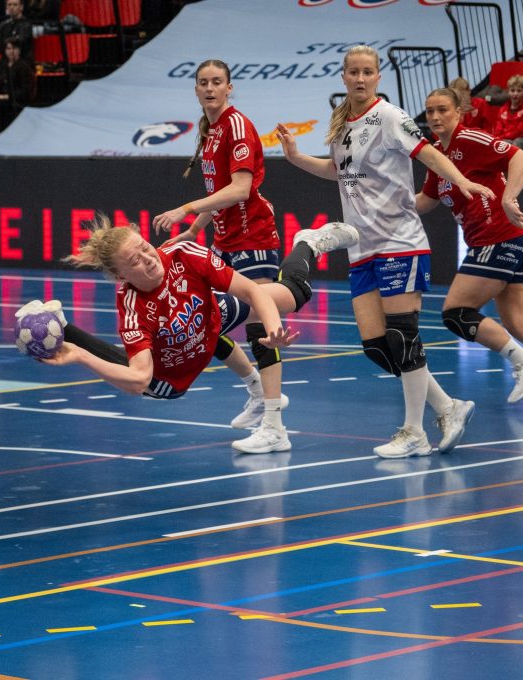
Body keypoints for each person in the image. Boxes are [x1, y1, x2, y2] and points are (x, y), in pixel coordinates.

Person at [276, 44, 494, 459]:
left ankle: (415, 432)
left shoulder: (390, 117)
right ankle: (447, 406)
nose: (360, 78)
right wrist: (296, 157)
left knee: (402, 334)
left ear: (377, 77)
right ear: (344, 77)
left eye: (367, 72)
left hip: (400, 242)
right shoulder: (342, 125)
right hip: (362, 249)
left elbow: (428, 154)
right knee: (378, 347)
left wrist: (462, 181)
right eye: (353, 72)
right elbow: (337, 171)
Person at [41, 215, 358, 454]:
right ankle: (67, 331)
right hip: (168, 377)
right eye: (135, 261)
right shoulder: (134, 306)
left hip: (211, 316)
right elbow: (138, 379)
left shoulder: (182, 254)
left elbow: (251, 290)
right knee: (141, 362)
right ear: (120, 276)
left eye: (145, 248)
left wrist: (273, 327)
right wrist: (80, 356)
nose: (148, 259)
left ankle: (308, 243)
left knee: (296, 293)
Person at [153, 59, 289, 438]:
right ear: (196, 89)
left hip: (253, 237)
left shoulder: (237, 125)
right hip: (224, 242)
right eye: (204, 82)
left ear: (229, 88)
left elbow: (240, 190)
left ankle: (274, 425)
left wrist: (185, 209)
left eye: (217, 82)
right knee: (203, 322)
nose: (210, 88)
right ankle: (256, 390)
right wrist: (193, 230)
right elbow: (219, 194)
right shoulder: (210, 131)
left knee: (260, 327)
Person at [415, 87, 523, 403]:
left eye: (443, 110)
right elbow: (426, 200)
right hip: (499, 241)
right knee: (516, 322)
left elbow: (518, 156)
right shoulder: (436, 154)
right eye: (430, 111)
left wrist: (509, 197)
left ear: (458, 112)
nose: (435, 117)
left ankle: (519, 362)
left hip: (497, 237)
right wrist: (384, 205)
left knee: (456, 312)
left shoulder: (470, 140)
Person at [0, 36, 34, 136]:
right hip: (1, 98)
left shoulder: (23, 66)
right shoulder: (3, 65)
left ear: (19, 50)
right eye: (8, 48)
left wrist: (5, 96)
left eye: (14, 48)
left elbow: (25, 91)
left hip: (16, 100)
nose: (11, 51)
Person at [492, 74, 523, 148]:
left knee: (517, 141)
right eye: (512, 90)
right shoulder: (502, 110)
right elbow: (498, 130)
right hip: (506, 140)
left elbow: (519, 131)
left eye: (519, 91)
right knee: (498, 144)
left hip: (519, 140)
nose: (515, 94)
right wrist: (498, 139)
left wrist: (504, 137)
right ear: (508, 91)